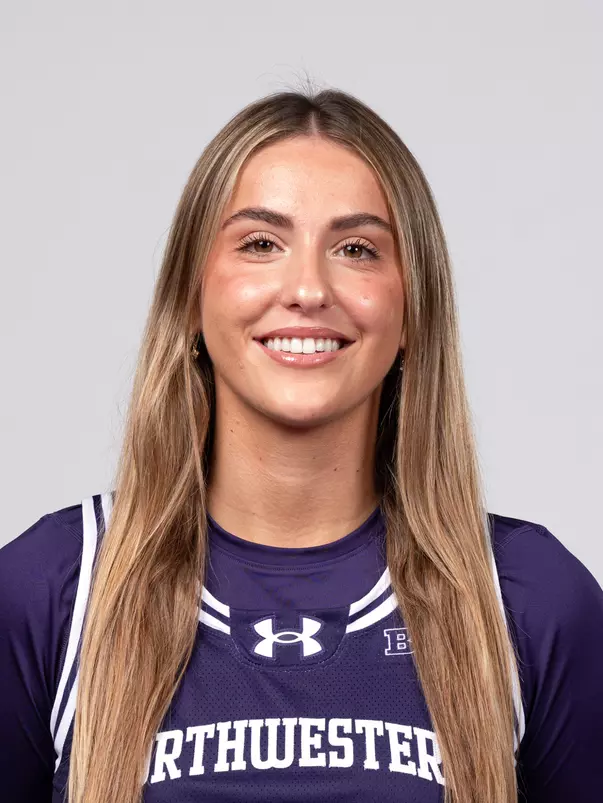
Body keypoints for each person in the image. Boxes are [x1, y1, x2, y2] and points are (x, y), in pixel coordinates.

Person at [1, 87, 602, 803]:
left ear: (412, 308)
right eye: (260, 243)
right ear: (192, 296)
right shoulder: (56, 590)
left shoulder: (526, 599)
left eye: (356, 248)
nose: (308, 288)